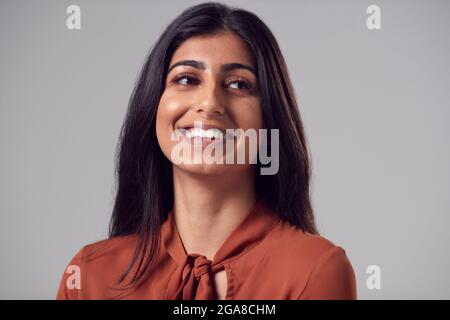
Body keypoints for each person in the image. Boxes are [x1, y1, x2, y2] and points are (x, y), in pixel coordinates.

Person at [56, 2, 357, 300]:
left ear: (269, 118)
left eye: (238, 84)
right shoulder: (89, 277)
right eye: (186, 79)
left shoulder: (316, 271)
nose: (210, 102)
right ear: (154, 105)